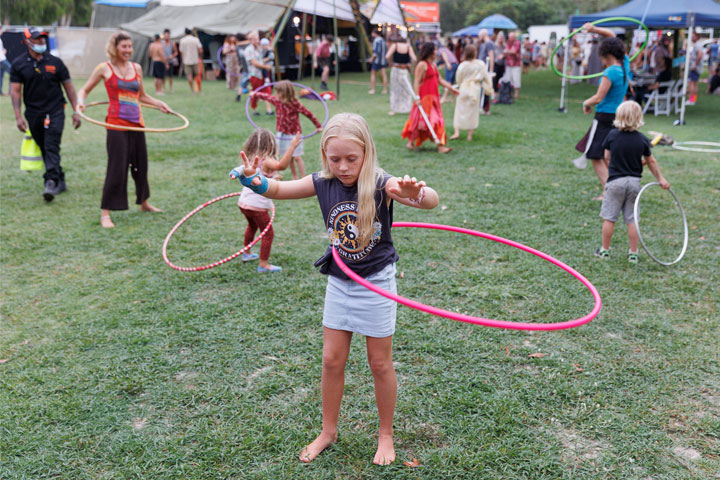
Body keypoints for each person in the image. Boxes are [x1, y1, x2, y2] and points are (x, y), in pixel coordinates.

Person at [229, 112, 440, 465]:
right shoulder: (322, 182)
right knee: (331, 360)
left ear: (367, 153)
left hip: (376, 283)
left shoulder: (381, 183)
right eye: (335, 158)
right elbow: (278, 189)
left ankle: (385, 434)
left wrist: (416, 194)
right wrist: (254, 181)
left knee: (379, 363)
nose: (343, 167)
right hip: (341, 282)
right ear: (325, 155)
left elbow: (429, 201)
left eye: (351, 159)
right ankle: (329, 431)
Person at [76, 31, 171, 228]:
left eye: (130, 47)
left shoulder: (136, 68)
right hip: (116, 125)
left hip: (136, 123)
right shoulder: (105, 68)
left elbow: (142, 96)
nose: (128, 50)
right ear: (115, 48)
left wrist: (159, 103)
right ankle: (105, 213)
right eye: (124, 47)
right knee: (117, 167)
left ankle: (144, 203)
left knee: (140, 164)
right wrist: (80, 103)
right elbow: (84, 90)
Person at [10, 27, 81, 201]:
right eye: (36, 39)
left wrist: (76, 110)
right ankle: (60, 178)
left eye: (43, 38)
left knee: (51, 144)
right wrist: (18, 116)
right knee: (44, 146)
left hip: (56, 110)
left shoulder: (55, 62)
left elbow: (69, 86)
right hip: (33, 113)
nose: (41, 41)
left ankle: (51, 181)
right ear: (27, 42)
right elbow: (15, 92)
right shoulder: (19, 64)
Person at [594, 101, 670, 264]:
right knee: (631, 219)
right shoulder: (642, 140)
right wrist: (660, 179)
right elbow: (651, 161)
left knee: (609, 218)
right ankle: (633, 253)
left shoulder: (612, 135)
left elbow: (606, 157)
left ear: (618, 117)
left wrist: (615, 167)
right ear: (639, 118)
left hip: (615, 182)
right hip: (634, 183)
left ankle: (605, 251)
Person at [573, 23, 631, 200]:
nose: (601, 60)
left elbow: (599, 97)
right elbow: (611, 34)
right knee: (608, 155)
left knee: (595, 154)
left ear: (607, 55)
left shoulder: (610, 72)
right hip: (618, 115)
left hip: (605, 117)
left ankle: (609, 192)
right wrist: (593, 29)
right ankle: (616, 189)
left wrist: (586, 102)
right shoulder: (625, 64)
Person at [234, 129, 301, 272]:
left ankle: (246, 254)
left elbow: (260, 177)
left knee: (252, 226)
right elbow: (281, 166)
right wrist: (292, 147)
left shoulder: (252, 157)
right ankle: (263, 264)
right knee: (268, 233)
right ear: (271, 144)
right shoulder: (267, 159)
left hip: (244, 202)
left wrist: (272, 179)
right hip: (256, 205)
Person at [250, 80, 323, 179]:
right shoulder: (277, 101)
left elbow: (308, 113)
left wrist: (318, 126)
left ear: (285, 93)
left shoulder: (295, 103)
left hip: (294, 134)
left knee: (297, 157)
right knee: (289, 158)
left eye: (278, 92)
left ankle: (303, 177)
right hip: (282, 133)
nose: (276, 94)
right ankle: (295, 177)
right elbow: (266, 96)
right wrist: (255, 94)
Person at [401, 42, 459, 153]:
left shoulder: (433, 65)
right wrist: (417, 97)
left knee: (420, 121)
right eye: (435, 50)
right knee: (433, 121)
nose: (437, 52)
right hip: (424, 98)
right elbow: (417, 82)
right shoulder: (422, 65)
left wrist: (452, 89)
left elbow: (440, 80)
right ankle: (440, 146)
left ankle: (411, 143)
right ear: (430, 52)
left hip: (434, 97)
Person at [450, 45, 493, 141]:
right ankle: (469, 135)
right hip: (475, 89)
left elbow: (458, 78)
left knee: (460, 110)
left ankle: (457, 132)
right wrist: (489, 87)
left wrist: (461, 84)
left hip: (464, 88)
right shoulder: (480, 64)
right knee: (472, 112)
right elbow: (486, 76)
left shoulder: (462, 65)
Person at [385, 31, 416, 116]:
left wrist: (390, 63)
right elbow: (414, 59)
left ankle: (393, 109)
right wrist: (412, 68)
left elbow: (387, 56)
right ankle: (408, 108)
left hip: (396, 69)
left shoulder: (395, 45)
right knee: (407, 89)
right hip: (405, 70)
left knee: (394, 89)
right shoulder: (408, 46)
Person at [244, 31, 273, 115]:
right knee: (255, 93)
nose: (257, 41)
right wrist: (266, 67)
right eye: (255, 39)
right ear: (250, 40)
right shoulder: (248, 50)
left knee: (267, 91)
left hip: (263, 74)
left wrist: (268, 59)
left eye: (257, 39)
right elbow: (254, 63)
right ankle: (254, 110)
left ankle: (269, 110)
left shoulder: (259, 48)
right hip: (255, 75)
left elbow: (261, 59)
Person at [178, 28, 203, 94]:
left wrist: (182, 59)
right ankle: (199, 90)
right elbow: (200, 50)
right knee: (197, 75)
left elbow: (181, 52)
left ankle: (192, 91)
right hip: (195, 60)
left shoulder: (182, 40)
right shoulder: (196, 39)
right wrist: (199, 56)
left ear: (185, 33)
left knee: (189, 76)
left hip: (186, 60)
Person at [477, 29, 495, 113]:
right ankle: (481, 105)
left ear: (483, 35)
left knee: (486, 88)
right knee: (480, 87)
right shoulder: (483, 44)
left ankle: (485, 108)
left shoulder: (489, 44)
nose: (478, 37)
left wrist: (491, 69)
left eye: (479, 35)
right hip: (480, 68)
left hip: (486, 68)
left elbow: (491, 56)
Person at [437, 38, 459, 104]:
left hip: (451, 64)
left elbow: (444, 55)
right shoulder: (446, 49)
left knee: (447, 82)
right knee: (451, 82)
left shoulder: (441, 50)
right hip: (455, 64)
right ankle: (451, 98)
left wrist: (447, 63)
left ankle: (444, 98)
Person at [501, 31, 521, 100]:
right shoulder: (508, 43)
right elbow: (505, 52)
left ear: (514, 37)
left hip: (516, 64)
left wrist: (507, 51)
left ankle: (516, 94)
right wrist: (508, 52)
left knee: (516, 79)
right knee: (508, 78)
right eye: (510, 37)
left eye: (512, 37)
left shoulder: (517, 42)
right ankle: (508, 93)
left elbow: (514, 51)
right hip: (509, 64)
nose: (510, 38)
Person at [686, 32, 704, 106]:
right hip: (697, 68)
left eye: (693, 36)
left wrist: (694, 65)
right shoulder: (698, 44)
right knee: (695, 84)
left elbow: (700, 55)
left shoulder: (697, 45)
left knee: (692, 83)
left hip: (695, 68)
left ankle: (691, 100)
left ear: (697, 37)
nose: (691, 38)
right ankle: (693, 100)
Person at [369, 30, 388, 94]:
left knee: (373, 74)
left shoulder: (376, 40)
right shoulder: (383, 40)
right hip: (383, 60)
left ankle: (373, 89)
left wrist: (372, 58)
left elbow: (376, 52)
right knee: (384, 75)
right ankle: (385, 90)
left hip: (377, 60)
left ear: (375, 33)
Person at [161, 29, 179, 93]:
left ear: (169, 36)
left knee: (170, 76)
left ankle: (171, 88)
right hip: (163, 61)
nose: (166, 37)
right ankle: (163, 87)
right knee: (163, 76)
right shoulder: (161, 43)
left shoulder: (172, 43)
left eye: (167, 35)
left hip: (170, 61)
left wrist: (172, 56)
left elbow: (176, 52)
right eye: (165, 35)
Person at [0, 25, 11, 96]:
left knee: (1, 76)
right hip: (2, 60)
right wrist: (3, 52)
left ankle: (0, 92)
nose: (1, 32)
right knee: (13, 73)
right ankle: (11, 90)